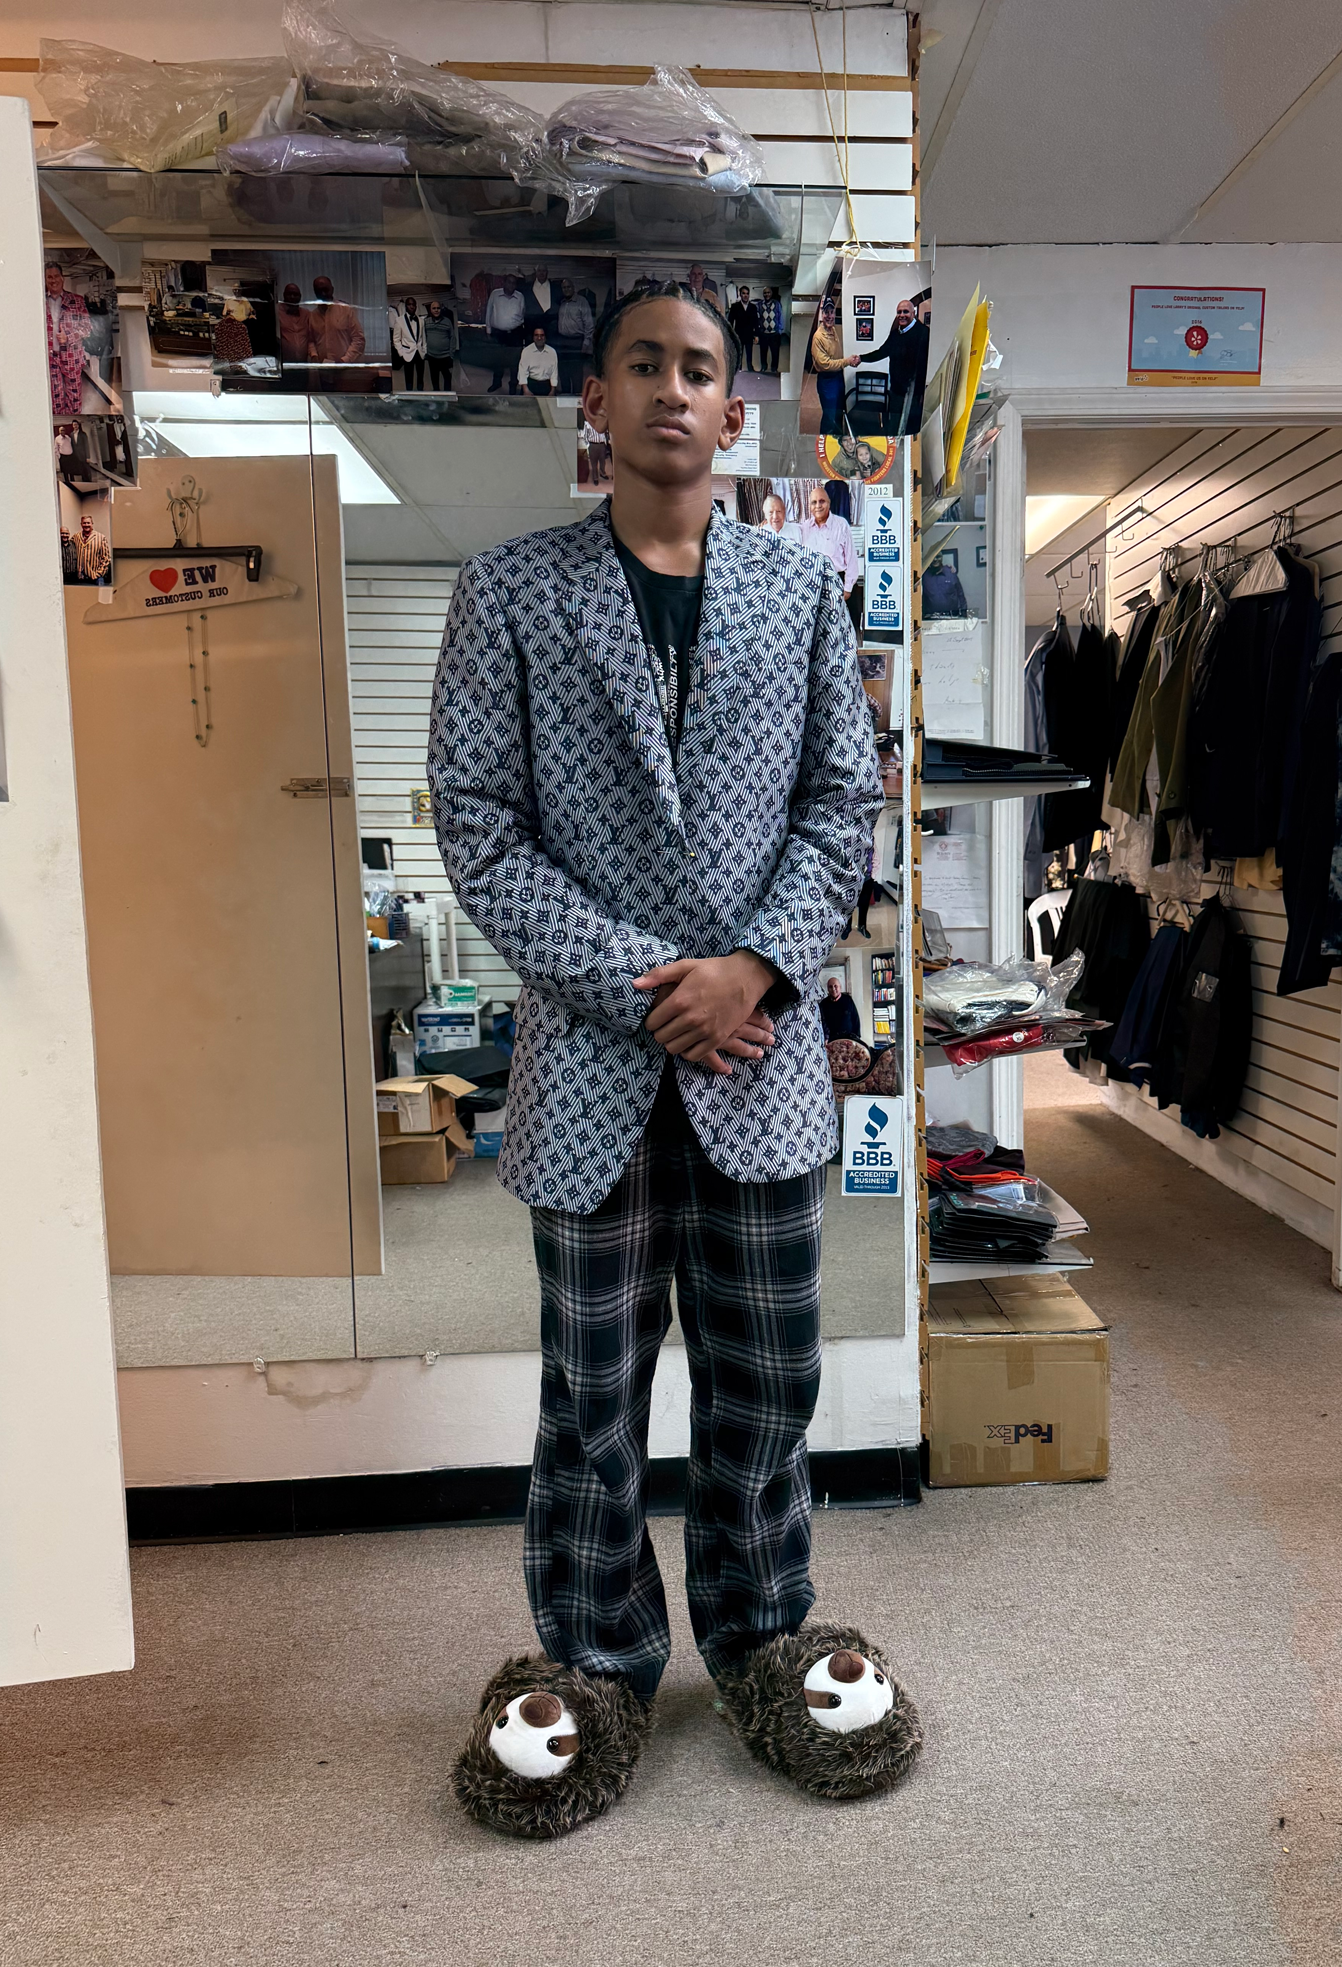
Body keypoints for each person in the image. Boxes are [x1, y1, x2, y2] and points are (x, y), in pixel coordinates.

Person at [431, 281, 919, 1840]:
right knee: (590, 1394)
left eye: (698, 368)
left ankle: (766, 1632)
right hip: (591, 1068)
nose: (669, 388)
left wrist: (752, 968)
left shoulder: (795, 596)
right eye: (640, 361)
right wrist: (654, 989)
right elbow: (477, 825)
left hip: (763, 1066)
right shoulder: (508, 591)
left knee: (765, 1382)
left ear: (733, 411)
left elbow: (841, 805)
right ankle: (594, 1654)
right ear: (598, 399)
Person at [861, 294, 929, 434]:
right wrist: (861, 358)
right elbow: (882, 352)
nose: (902, 315)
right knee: (894, 427)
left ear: (913, 313)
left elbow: (924, 366)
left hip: (913, 395)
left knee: (909, 429)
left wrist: (921, 393)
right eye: (899, 312)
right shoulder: (895, 334)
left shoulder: (923, 333)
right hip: (896, 391)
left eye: (905, 312)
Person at [44, 260, 92, 417]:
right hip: (50, 359)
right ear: (45, 279)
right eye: (49, 277)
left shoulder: (76, 300)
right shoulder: (39, 302)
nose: (53, 280)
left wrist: (69, 337)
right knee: (55, 400)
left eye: (56, 276)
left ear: (62, 278)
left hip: (72, 358)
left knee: (74, 398)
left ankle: (75, 423)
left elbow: (87, 328)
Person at [800, 483, 860, 600]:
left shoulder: (841, 525)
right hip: (813, 587)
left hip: (837, 584)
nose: (818, 506)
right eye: (814, 502)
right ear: (810, 506)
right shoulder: (804, 528)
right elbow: (783, 529)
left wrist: (847, 589)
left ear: (829, 503)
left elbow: (851, 559)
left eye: (822, 501)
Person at [809, 300, 858, 437]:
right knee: (829, 417)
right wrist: (847, 361)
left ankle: (838, 445)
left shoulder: (833, 330)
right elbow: (826, 364)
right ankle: (825, 446)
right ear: (821, 315)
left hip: (838, 378)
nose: (829, 316)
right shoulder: (818, 337)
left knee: (838, 413)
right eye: (826, 313)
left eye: (832, 312)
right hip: (827, 380)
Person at [307, 275, 366, 365]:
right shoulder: (312, 315)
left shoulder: (346, 310)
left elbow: (359, 339)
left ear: (332, 290)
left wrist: (345, 360)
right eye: (319, 291)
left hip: (345, 369)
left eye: (325, 290)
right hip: (322, 371)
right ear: (315, 293)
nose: (323, 294)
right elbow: (311, 341)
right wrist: (314, 355)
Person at [484, 273, 526, 393]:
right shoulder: (495, 294)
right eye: (509, 282)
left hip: (515, 333)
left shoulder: (520, 297)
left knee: (514, 361)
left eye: (514, 283)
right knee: (498, 360)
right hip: (498, 334)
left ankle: (513, 385)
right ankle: (496, 383)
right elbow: (488, 312)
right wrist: (488, 330)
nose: (511, 285)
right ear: (504, 282)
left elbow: (523, 313)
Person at [553, 278, 595, 397]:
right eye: (564, 288)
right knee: (563, 371)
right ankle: (565, 396)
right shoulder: (561, 303)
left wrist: (586, 344)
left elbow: (589, 325)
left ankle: (576, 397)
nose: (566, 290)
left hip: (576, 341)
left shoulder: (582, 302)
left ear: (573, 288)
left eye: (568, 287)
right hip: (562, 341)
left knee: (576, 372)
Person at [388, 295, 426, 391]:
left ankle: (420, 396)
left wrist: (424, 350)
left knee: (421, 378)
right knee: (409, 378)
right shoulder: (399, 320)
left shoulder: (421, 321)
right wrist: (401, 352)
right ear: (406, 306)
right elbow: (396, 339)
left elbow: (423, 337)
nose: (411, 306)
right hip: (407, 353)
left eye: (413, 304)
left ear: (416, 306)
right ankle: (409, 397)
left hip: (420, 353)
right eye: (409, 304)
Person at [423, 300, 458, 391]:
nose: (436, 310)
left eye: (438, 308)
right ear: (430, 310)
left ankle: (447, 398)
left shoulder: (447, 321)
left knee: (447, 378)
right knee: (434, 379)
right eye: (434, 308)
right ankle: (437, 397)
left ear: (441, 309)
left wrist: (451, 354)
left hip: (445, 356)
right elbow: (423, 337)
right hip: (432, 357)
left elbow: (452, 338)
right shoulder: (426, 322)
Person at [517, 324, 559, 397]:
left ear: (545, 337)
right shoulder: (526, 351)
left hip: (546, 385)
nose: (539, 338)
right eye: (536, 335)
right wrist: (525, 390)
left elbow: (554, 373)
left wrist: (552, 391)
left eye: (542, 335)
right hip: (531, 384)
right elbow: (522, 372)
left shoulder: (552, 352)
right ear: (533, 337)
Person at [727, 285, 760, 374]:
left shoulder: (753, 307)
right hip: (738, 334)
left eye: (747, 294)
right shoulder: (735, 306)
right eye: (743, 293)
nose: (745, 295)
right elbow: (730, 321)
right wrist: (730, 335)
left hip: (749, 334)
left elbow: (755, 322)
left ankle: (750, 367)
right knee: (739, 353)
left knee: (749, 352)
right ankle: (738, 368)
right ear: (740, 294)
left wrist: (756, 335)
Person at [276, 284, 310, 367]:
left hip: (303, 365)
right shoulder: (276, 313)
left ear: (300, 296)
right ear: (284, 295)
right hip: (284, 365)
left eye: (295, 294)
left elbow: (312, 337)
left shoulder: (307, 314)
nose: (292, 297)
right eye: (289, 294)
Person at [819, 975, 861, 1042]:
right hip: (832, 1040)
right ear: (827, 989)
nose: (833, 989)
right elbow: (822, 1023)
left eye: (835, 986)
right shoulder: (823, 1003)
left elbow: (855, 1018)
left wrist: (857, 1037)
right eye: (830, 987)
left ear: (840, 987)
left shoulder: (848, 999)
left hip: (849, 1039)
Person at [73, 512, 111, 585]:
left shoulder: (101, 537)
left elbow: (106, 558)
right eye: (84, 523)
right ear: (81, 524)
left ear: (92, 524)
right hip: (80, 577)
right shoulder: (76, 537)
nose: (86, 525)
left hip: (95, 577)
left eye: (88, 523)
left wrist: (99, 573)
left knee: (100, 596)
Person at [758, 285, 784, 374]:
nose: (767, 294)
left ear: (771, 293)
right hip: (763, 333)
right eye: (765, 293)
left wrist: (780, 330)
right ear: (763, 294)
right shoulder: (759, 305)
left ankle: (774, 368)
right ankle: (764, 367)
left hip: (774, 333)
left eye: (768, 292)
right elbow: (757, 318)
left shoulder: (777, 304)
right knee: (763, 352)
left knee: (775, 353)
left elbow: (780, 316)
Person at [583, 418, 612, 485]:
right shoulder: (587, 423)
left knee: (602, 461)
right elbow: (585, 436)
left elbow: (605, 432)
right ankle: (595, 478)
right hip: (593, 445)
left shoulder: (602, 423)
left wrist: (605, 443)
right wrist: (588, 445)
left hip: (602, 445)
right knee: (594, 463)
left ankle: (602, 473)